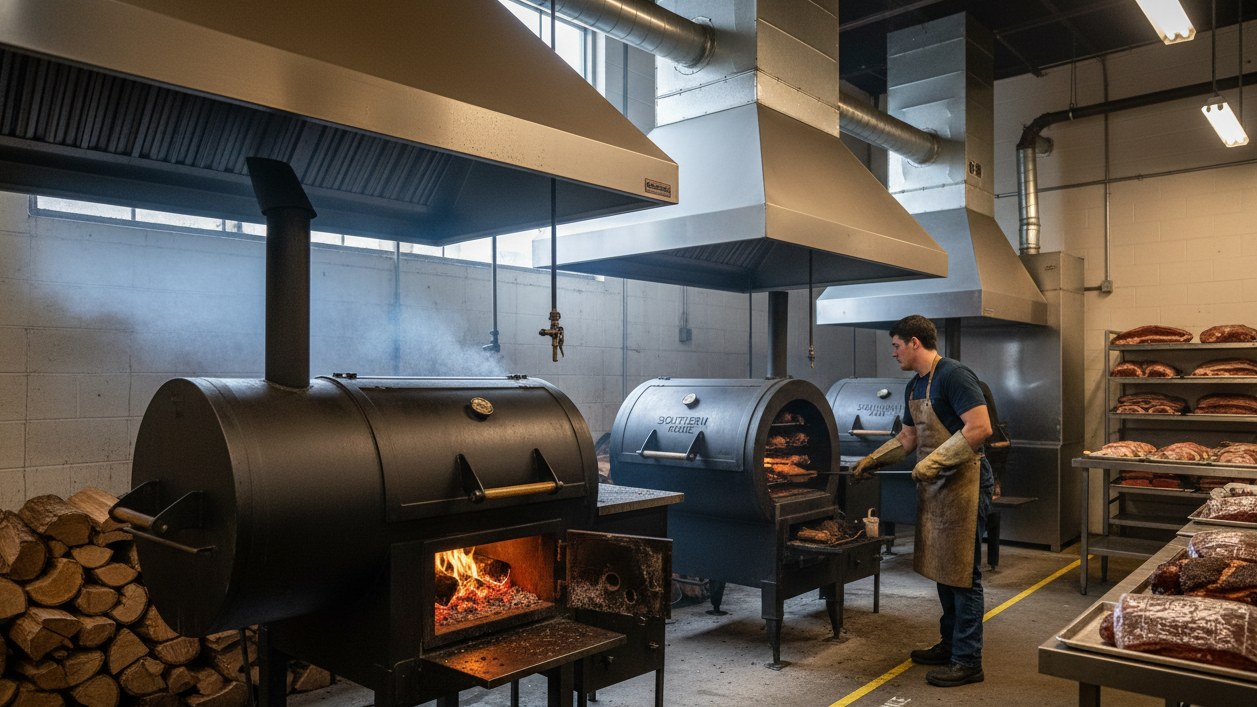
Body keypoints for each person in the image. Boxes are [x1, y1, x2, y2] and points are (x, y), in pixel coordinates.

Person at [851, 315, 993, 687]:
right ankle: (950, 645)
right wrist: (872, 460)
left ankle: (968, 659)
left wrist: (935, 461)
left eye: (896, 345)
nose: (893, 352)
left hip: (966, 482)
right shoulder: (913, 385)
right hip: (938, 487)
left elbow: (980, 428)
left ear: (915, 342)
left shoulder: (953, 375)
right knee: (946, 572)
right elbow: (909, 437)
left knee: (964, 576)